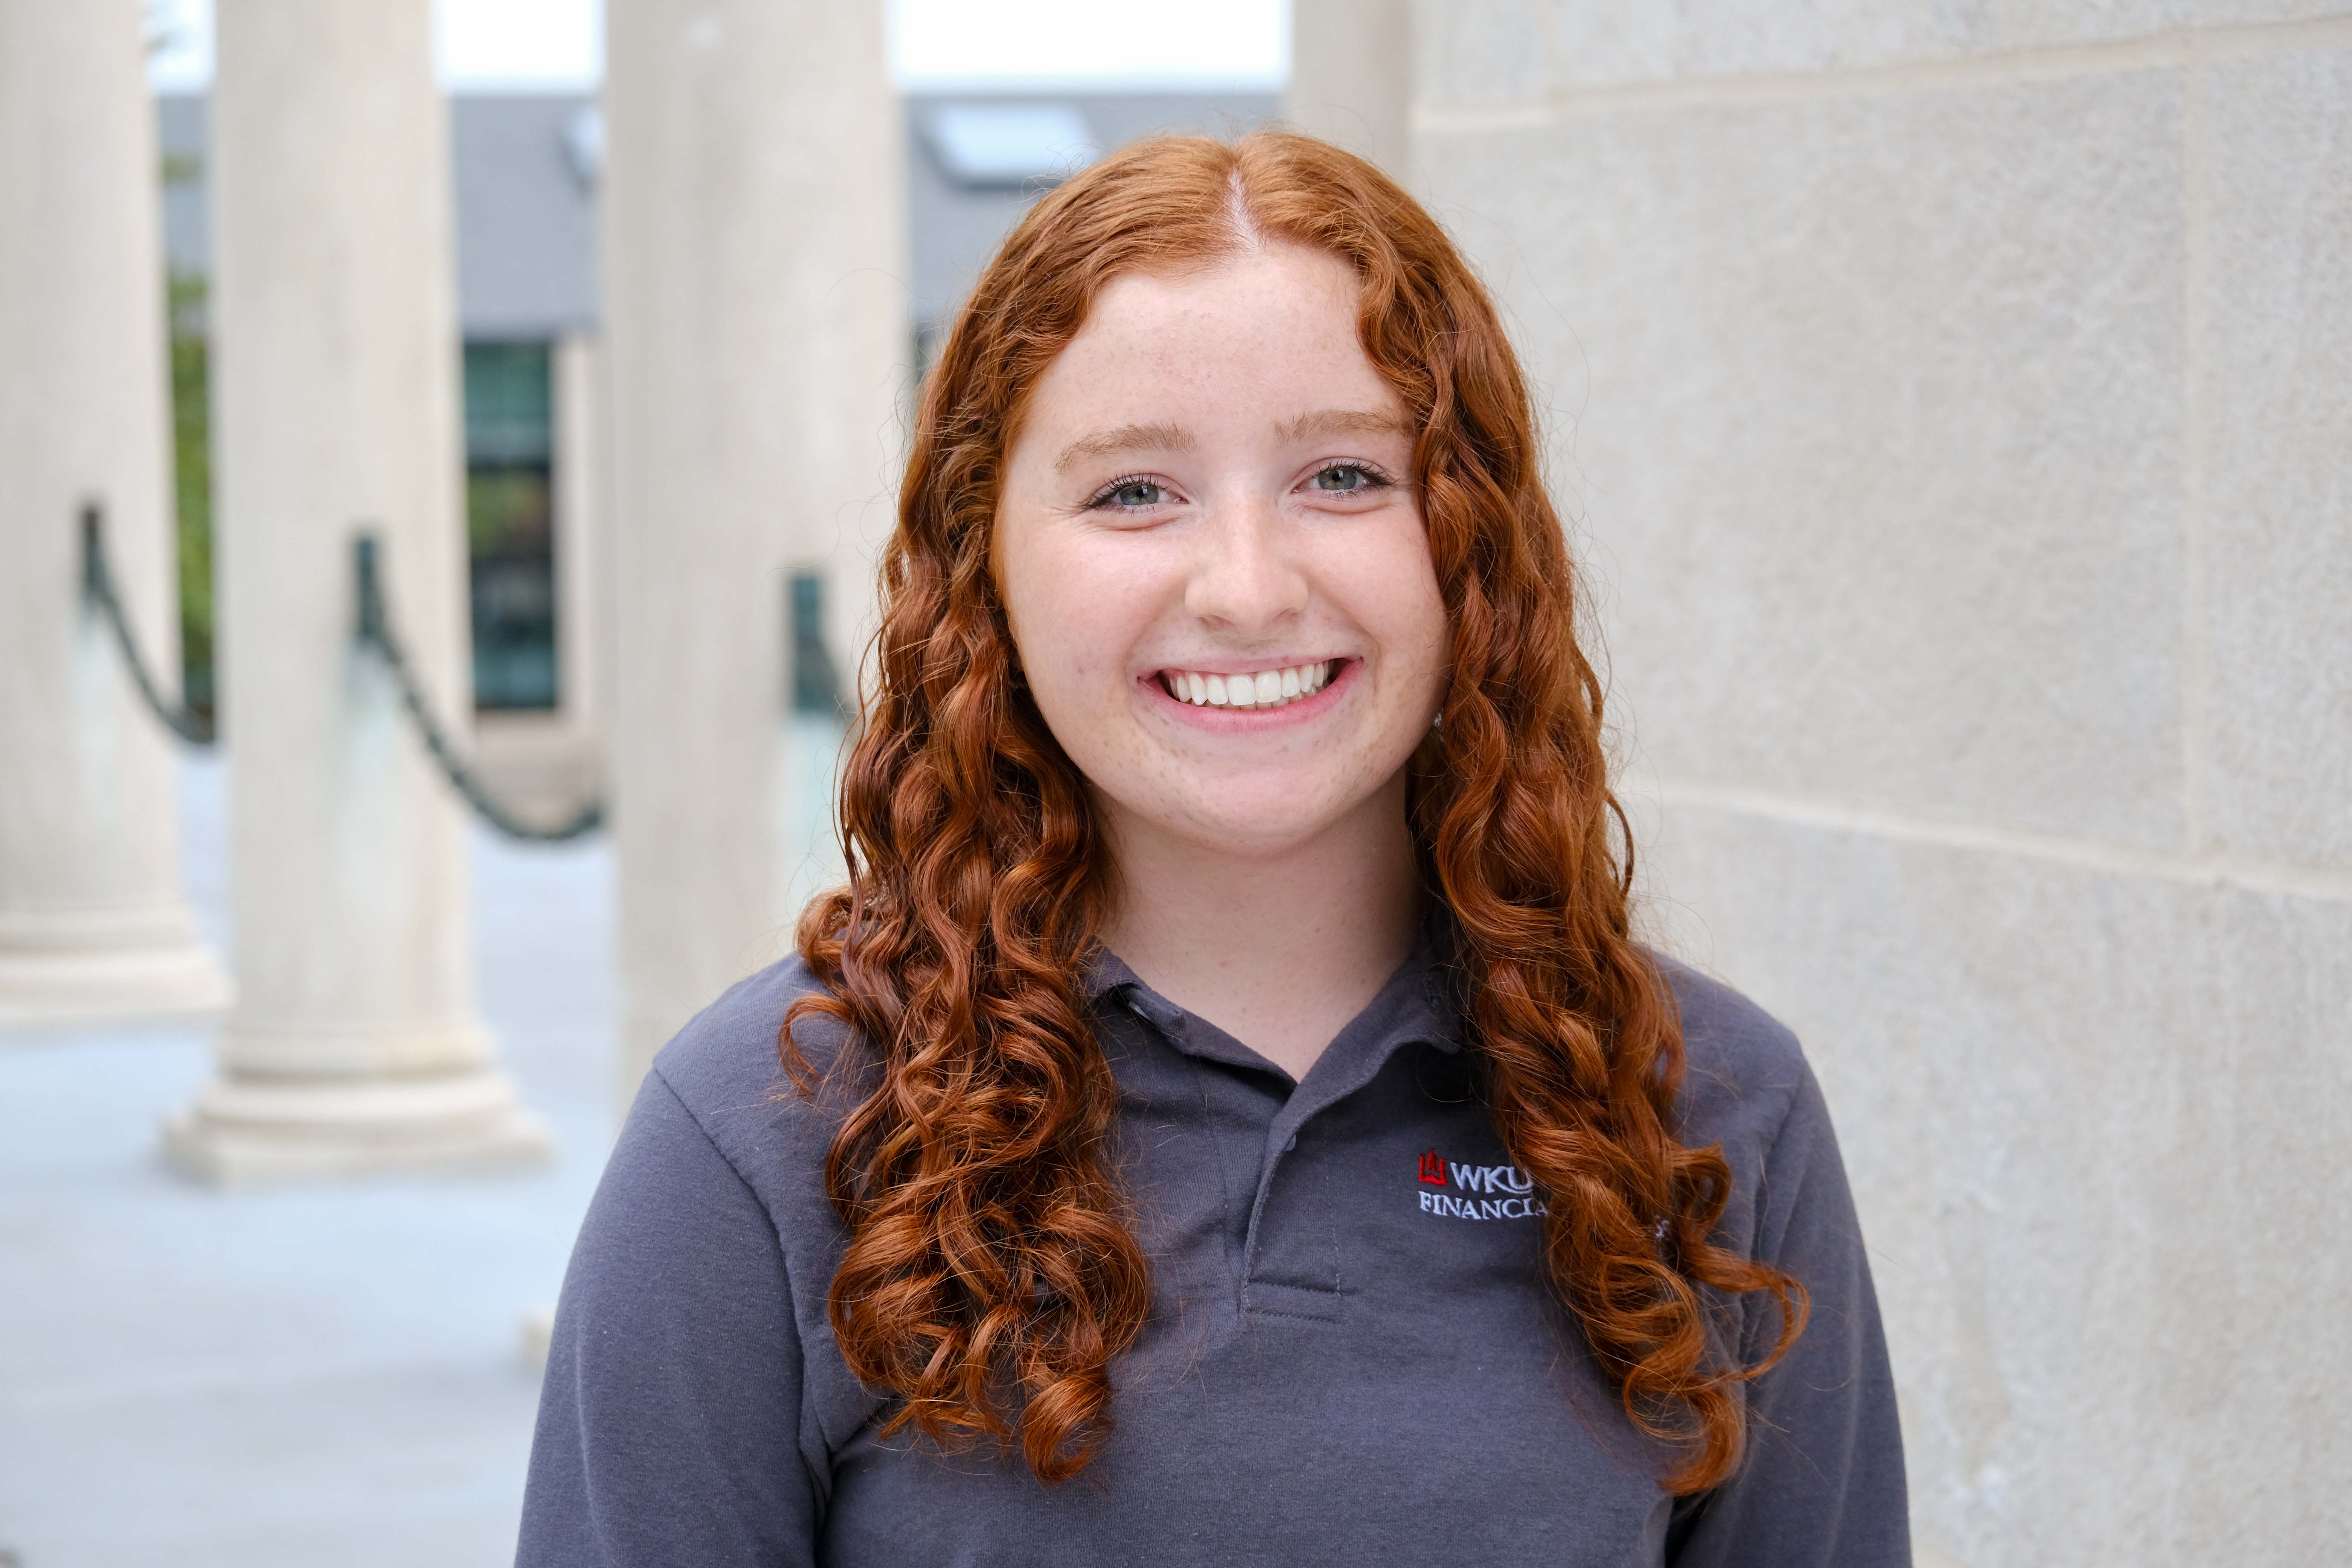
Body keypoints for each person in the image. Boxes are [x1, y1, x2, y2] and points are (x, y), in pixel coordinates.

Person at [517, 131, 1907, 1566]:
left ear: (1474, 545)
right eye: (1133, 491)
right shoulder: (762, 1137)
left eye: (1345, 476)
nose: (1246, 589)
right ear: (985, 569)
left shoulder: (1714, 1112)